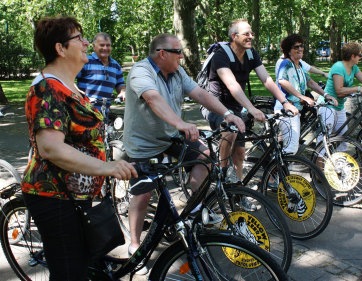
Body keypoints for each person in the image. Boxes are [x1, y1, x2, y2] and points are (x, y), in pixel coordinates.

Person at [22, 17, 137, 280]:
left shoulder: (70, 86)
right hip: (54, 198)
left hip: (74, 198)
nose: (87, 43)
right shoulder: (47, 88)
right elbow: (51, 149)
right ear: (60, 49)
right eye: (79, 38)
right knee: (69, 273)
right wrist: (106, 167)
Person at [123, 33, 245, 274]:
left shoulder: (177, 72)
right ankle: (135, 246)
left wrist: (227, 113)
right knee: (143, 194)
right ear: (162, 54)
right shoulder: (141, 71)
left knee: (205, 158)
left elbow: (200, 94)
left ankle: (192, 212)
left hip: (170, 138)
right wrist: (180, 124)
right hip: (143, 145)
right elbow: (152, 98)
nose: (182, 55)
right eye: (177, 51)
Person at [201, 19, 298, 184]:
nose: (251, 36)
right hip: (214, 105)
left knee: (240, 152)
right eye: (246, 34)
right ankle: (223, 173)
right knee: (229, 131)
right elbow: (232, 84)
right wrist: (251, 108)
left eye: (251, 33)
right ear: (234, 36)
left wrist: (285, 102)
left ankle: (238, 190)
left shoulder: (251, 53)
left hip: (236, 106)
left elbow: (267, 79)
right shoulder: (221, 55)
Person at [274, 34, 337, 155]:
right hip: (285, 110)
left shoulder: (300, 65)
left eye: (301, 46)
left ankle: (280, 171)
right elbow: (282, 81)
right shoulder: (286, 63)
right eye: (296, 47)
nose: (300, 49)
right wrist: (302, 97)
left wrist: (326, 94)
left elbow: (310, 82)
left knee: (291, 148)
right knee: (291, 149)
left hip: (296, 110)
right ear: (289, 50)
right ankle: (277, 172)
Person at [323, 42, 362, 139]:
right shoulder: (339, 67)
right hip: (328, 106)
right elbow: (339, 90)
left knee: (342, 139)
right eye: (360, 55)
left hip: (339, 107)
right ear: (352, 56)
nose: (361, 57)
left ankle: (336, 154)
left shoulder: (353, 67)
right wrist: (358, 88)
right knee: (324, 139)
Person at [76, 32, 126, 113]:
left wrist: (123, 92)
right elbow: (69, 79)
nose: (105, 48)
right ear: (94, 46)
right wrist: (77, 93)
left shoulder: (115, 65)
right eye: (102, 45)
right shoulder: (85, 61)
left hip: (105, 114)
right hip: (84, 112)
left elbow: (120, 85)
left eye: (108, 45)